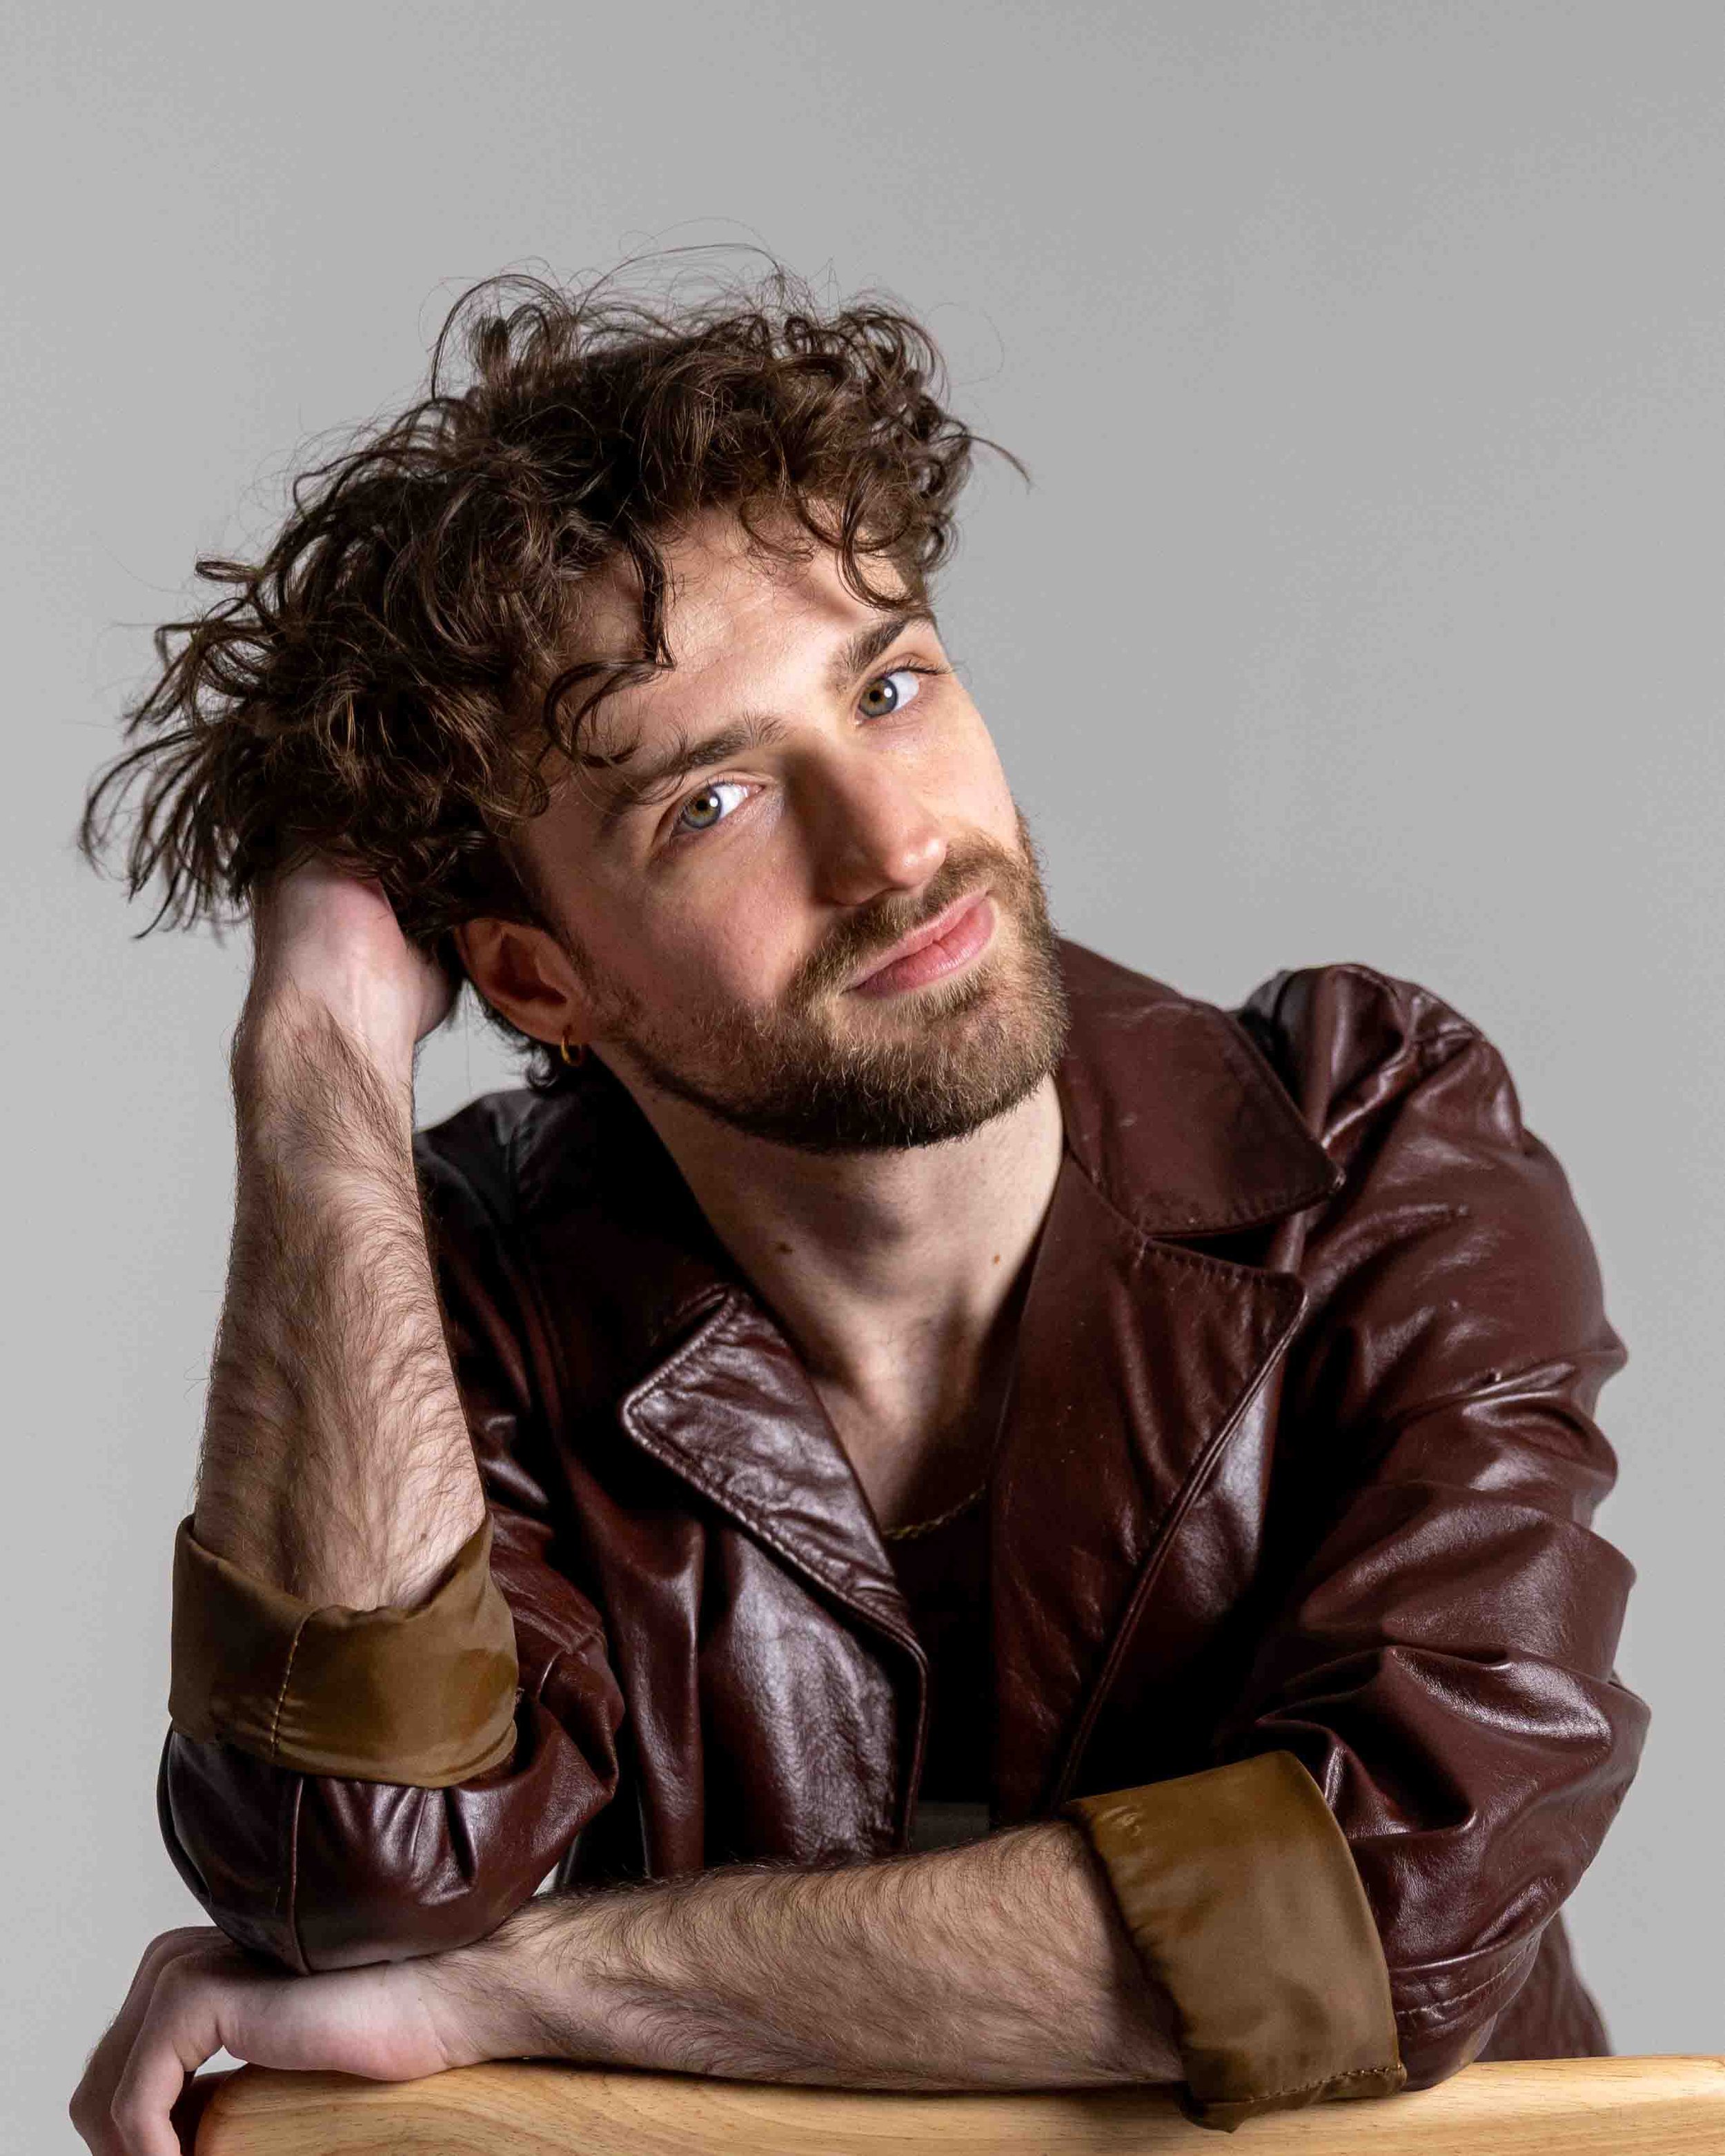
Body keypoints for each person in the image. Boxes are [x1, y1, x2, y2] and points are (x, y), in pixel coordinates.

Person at [69, 266, 1646, 2156]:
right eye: (711, 804)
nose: (897, 846)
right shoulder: (470, 1287)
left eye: (889, 687)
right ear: (539, 979)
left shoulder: (1364, 1133)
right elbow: (351, 1878)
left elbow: (1377, 1919)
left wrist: (523, 1983)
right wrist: (315, 1066)